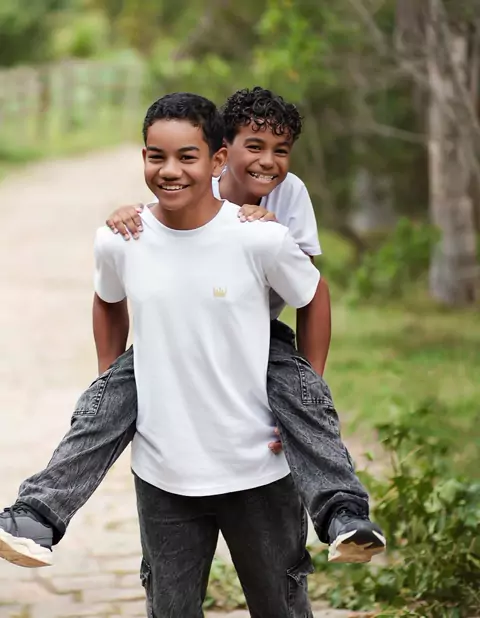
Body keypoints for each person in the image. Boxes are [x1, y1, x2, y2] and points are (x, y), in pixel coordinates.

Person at [0, 88, 385, 572]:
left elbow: (307, 284)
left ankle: (344, 515)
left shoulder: (287, 197)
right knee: (100, 410)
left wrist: (313, 379)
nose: (267, 162)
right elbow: (167, 212)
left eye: (280, 150)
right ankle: (35, 516)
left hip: (259, 335)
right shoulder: (199, 182)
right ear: (224, 153)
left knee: (306, 402)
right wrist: (110, 374)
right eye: (254, 146)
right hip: (175, 331)